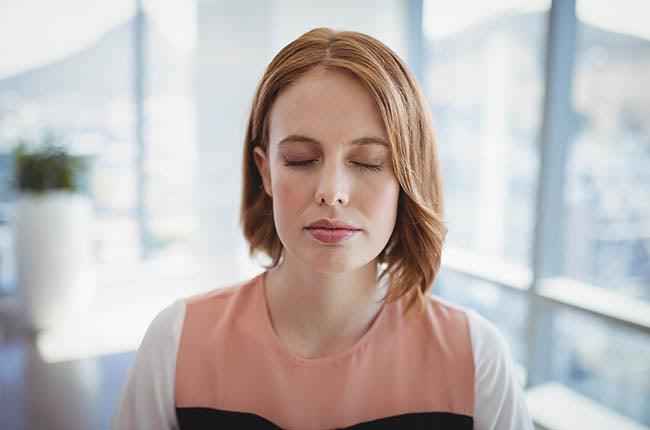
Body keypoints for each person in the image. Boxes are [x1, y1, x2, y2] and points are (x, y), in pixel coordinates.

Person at [109, 27, 534, 429]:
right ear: (266, 171)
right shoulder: (178, 342)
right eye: (299, 159)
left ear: (406, 176)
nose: (333, 192)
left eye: (368, 162)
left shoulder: (476, 358)